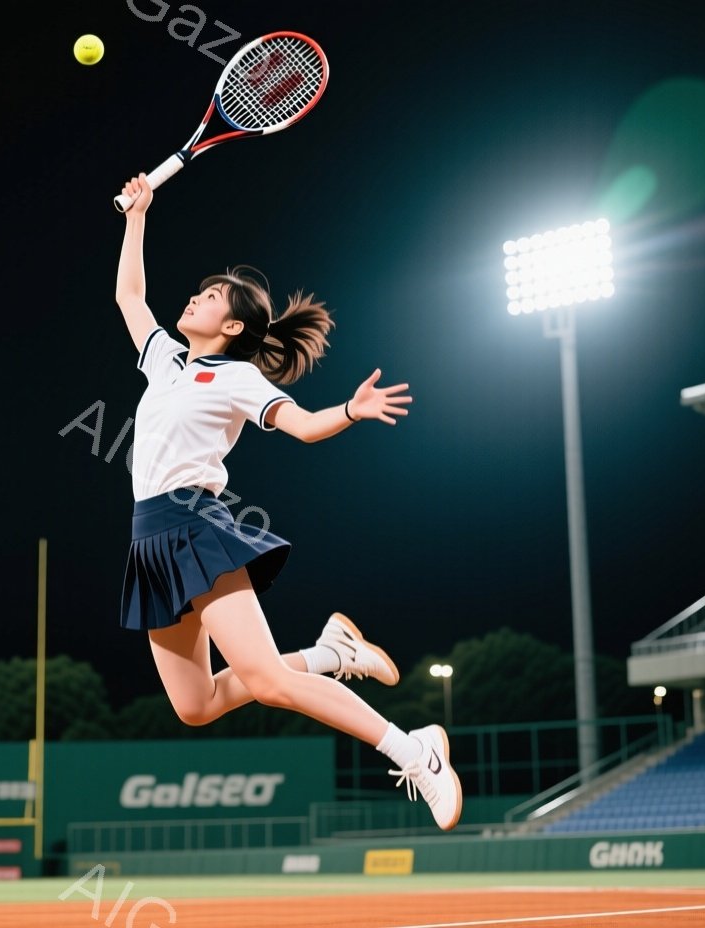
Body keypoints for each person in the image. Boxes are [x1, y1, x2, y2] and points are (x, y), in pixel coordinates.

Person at [109, 174, 460, 830]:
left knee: (268, 683)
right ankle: (331, 654)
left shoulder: (236, 376)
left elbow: (299, 426)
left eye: (210, 297)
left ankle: (417, 751)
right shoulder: (165, 362)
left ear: (232, 324)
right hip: (149, 540)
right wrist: (138, 214)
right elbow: (131, 295)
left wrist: (350, 412)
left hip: (192, 527)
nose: (195, 297)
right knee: (196, 706)